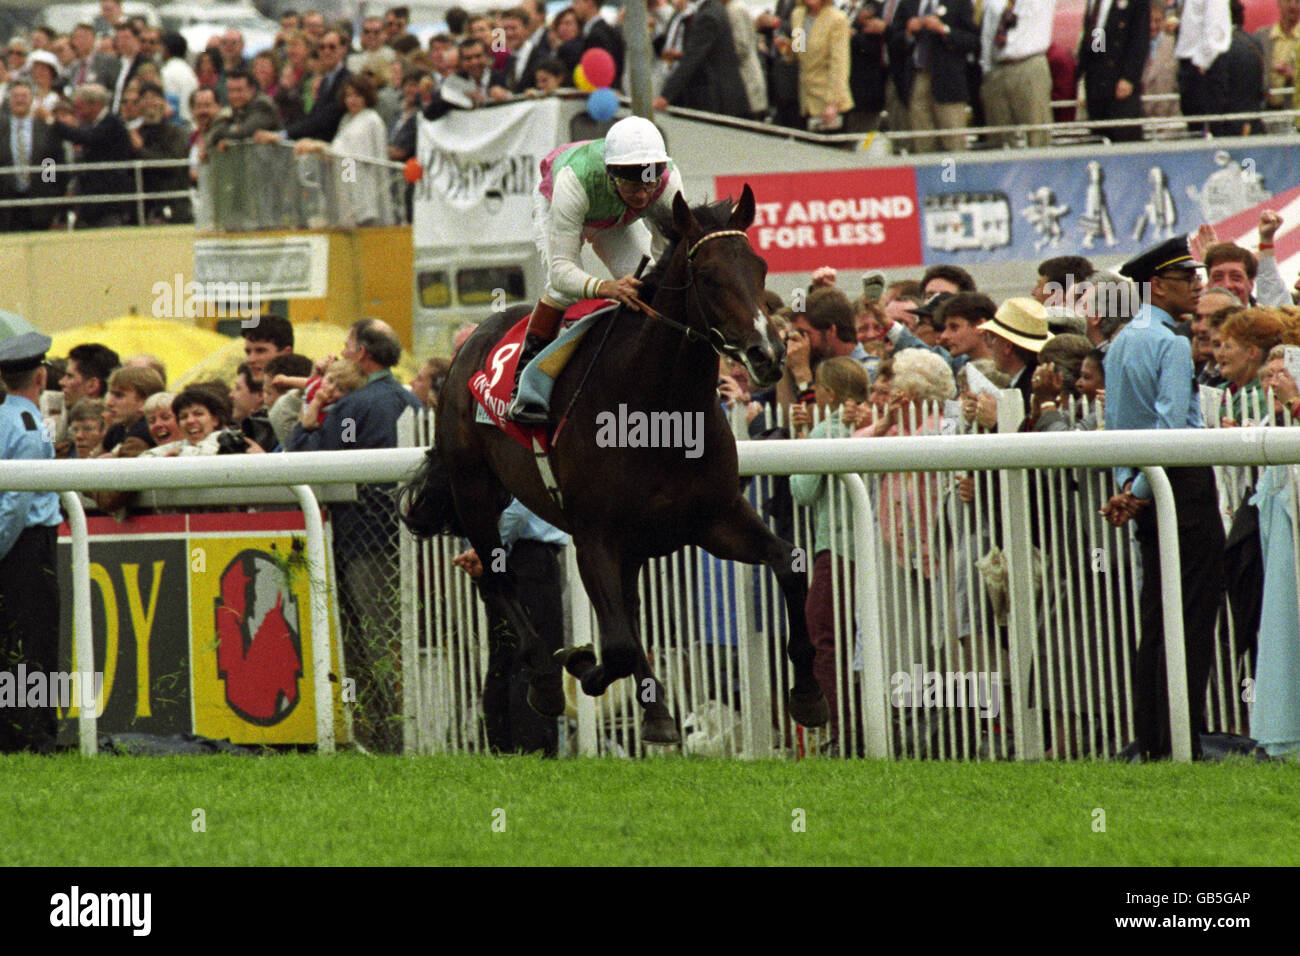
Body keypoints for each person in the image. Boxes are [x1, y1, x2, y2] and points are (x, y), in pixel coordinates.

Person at [1103, 235, 1225, 761]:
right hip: (1182, 485)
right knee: (1192, 617)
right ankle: (1182, 742)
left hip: (1143, 484)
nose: (1199, 287)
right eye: (1188, 279)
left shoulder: (1123, 339)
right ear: (1157, 285)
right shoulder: (1172, 341)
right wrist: (1143, 489)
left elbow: (1119, 424)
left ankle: (1155, 739)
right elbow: (1171, 425)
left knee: (1156, 616)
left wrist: (1128, 488)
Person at [504, 116, 685, 425]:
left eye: (649, 182)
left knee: (646, 287)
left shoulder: (667, 182)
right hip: (567, 204)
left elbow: (670, 250)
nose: (643, 196)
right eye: (632, 185)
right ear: (612, 174)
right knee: (562, 291)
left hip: (614, 217)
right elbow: (562, 271)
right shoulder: (574, 178)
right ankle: (526, 386)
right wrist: (606, 288)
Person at [453, 498, 569, 755]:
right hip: (527, 554)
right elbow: (524, 497)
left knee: (503, 655)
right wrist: (492, 546)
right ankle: (533, 752)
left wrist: (481, 548)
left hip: (495, 554)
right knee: (536, 657)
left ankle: (502, 751)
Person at [0, 310, 62, 753]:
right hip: (26, 547)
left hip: (16, 543)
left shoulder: (7, 418)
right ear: (40, 376)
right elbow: (17, 505)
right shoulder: (29, 425)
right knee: (34, 639)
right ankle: (34, 734)